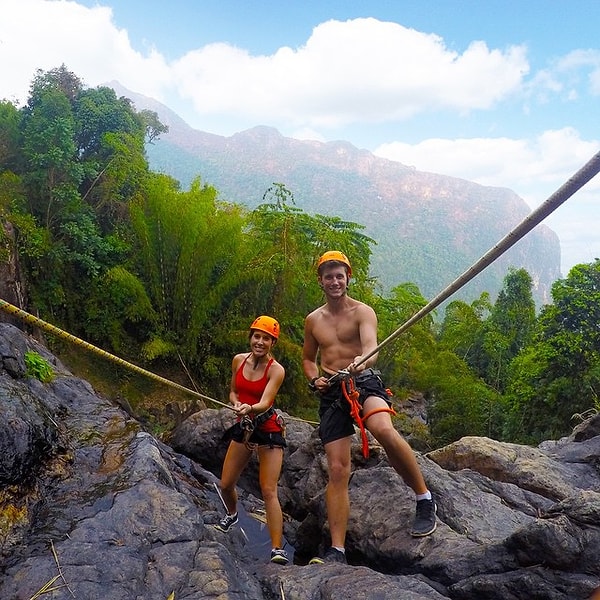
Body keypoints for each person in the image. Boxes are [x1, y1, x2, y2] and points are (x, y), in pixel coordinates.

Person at [302, 251, 437, 565]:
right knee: (337, 469)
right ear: (320, 280)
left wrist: (358, 363)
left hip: (363, 381)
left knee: (382, 429)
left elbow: (371, 349)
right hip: (332, 391)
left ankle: (424, 498)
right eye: (328, 276)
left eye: (339, 275)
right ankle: (337, 550)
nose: (334, 281)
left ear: (348, 277)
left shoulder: (363, 312)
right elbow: (309, 360)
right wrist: (314, 380)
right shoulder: (313, 320)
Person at [215, 315, 289, 566]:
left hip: (266, 427)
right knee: (225, 484)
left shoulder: (276, 370)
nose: (260, 341)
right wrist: (236, 403)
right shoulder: (238, 360)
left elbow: (266, 402)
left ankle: (277, 548)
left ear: (272, 343)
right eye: (256, 336)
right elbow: (233, 390)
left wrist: (249, 408)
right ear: (251, 337)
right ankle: (232, 514)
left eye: (266, 338)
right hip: (245, 426)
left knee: (269, 490)